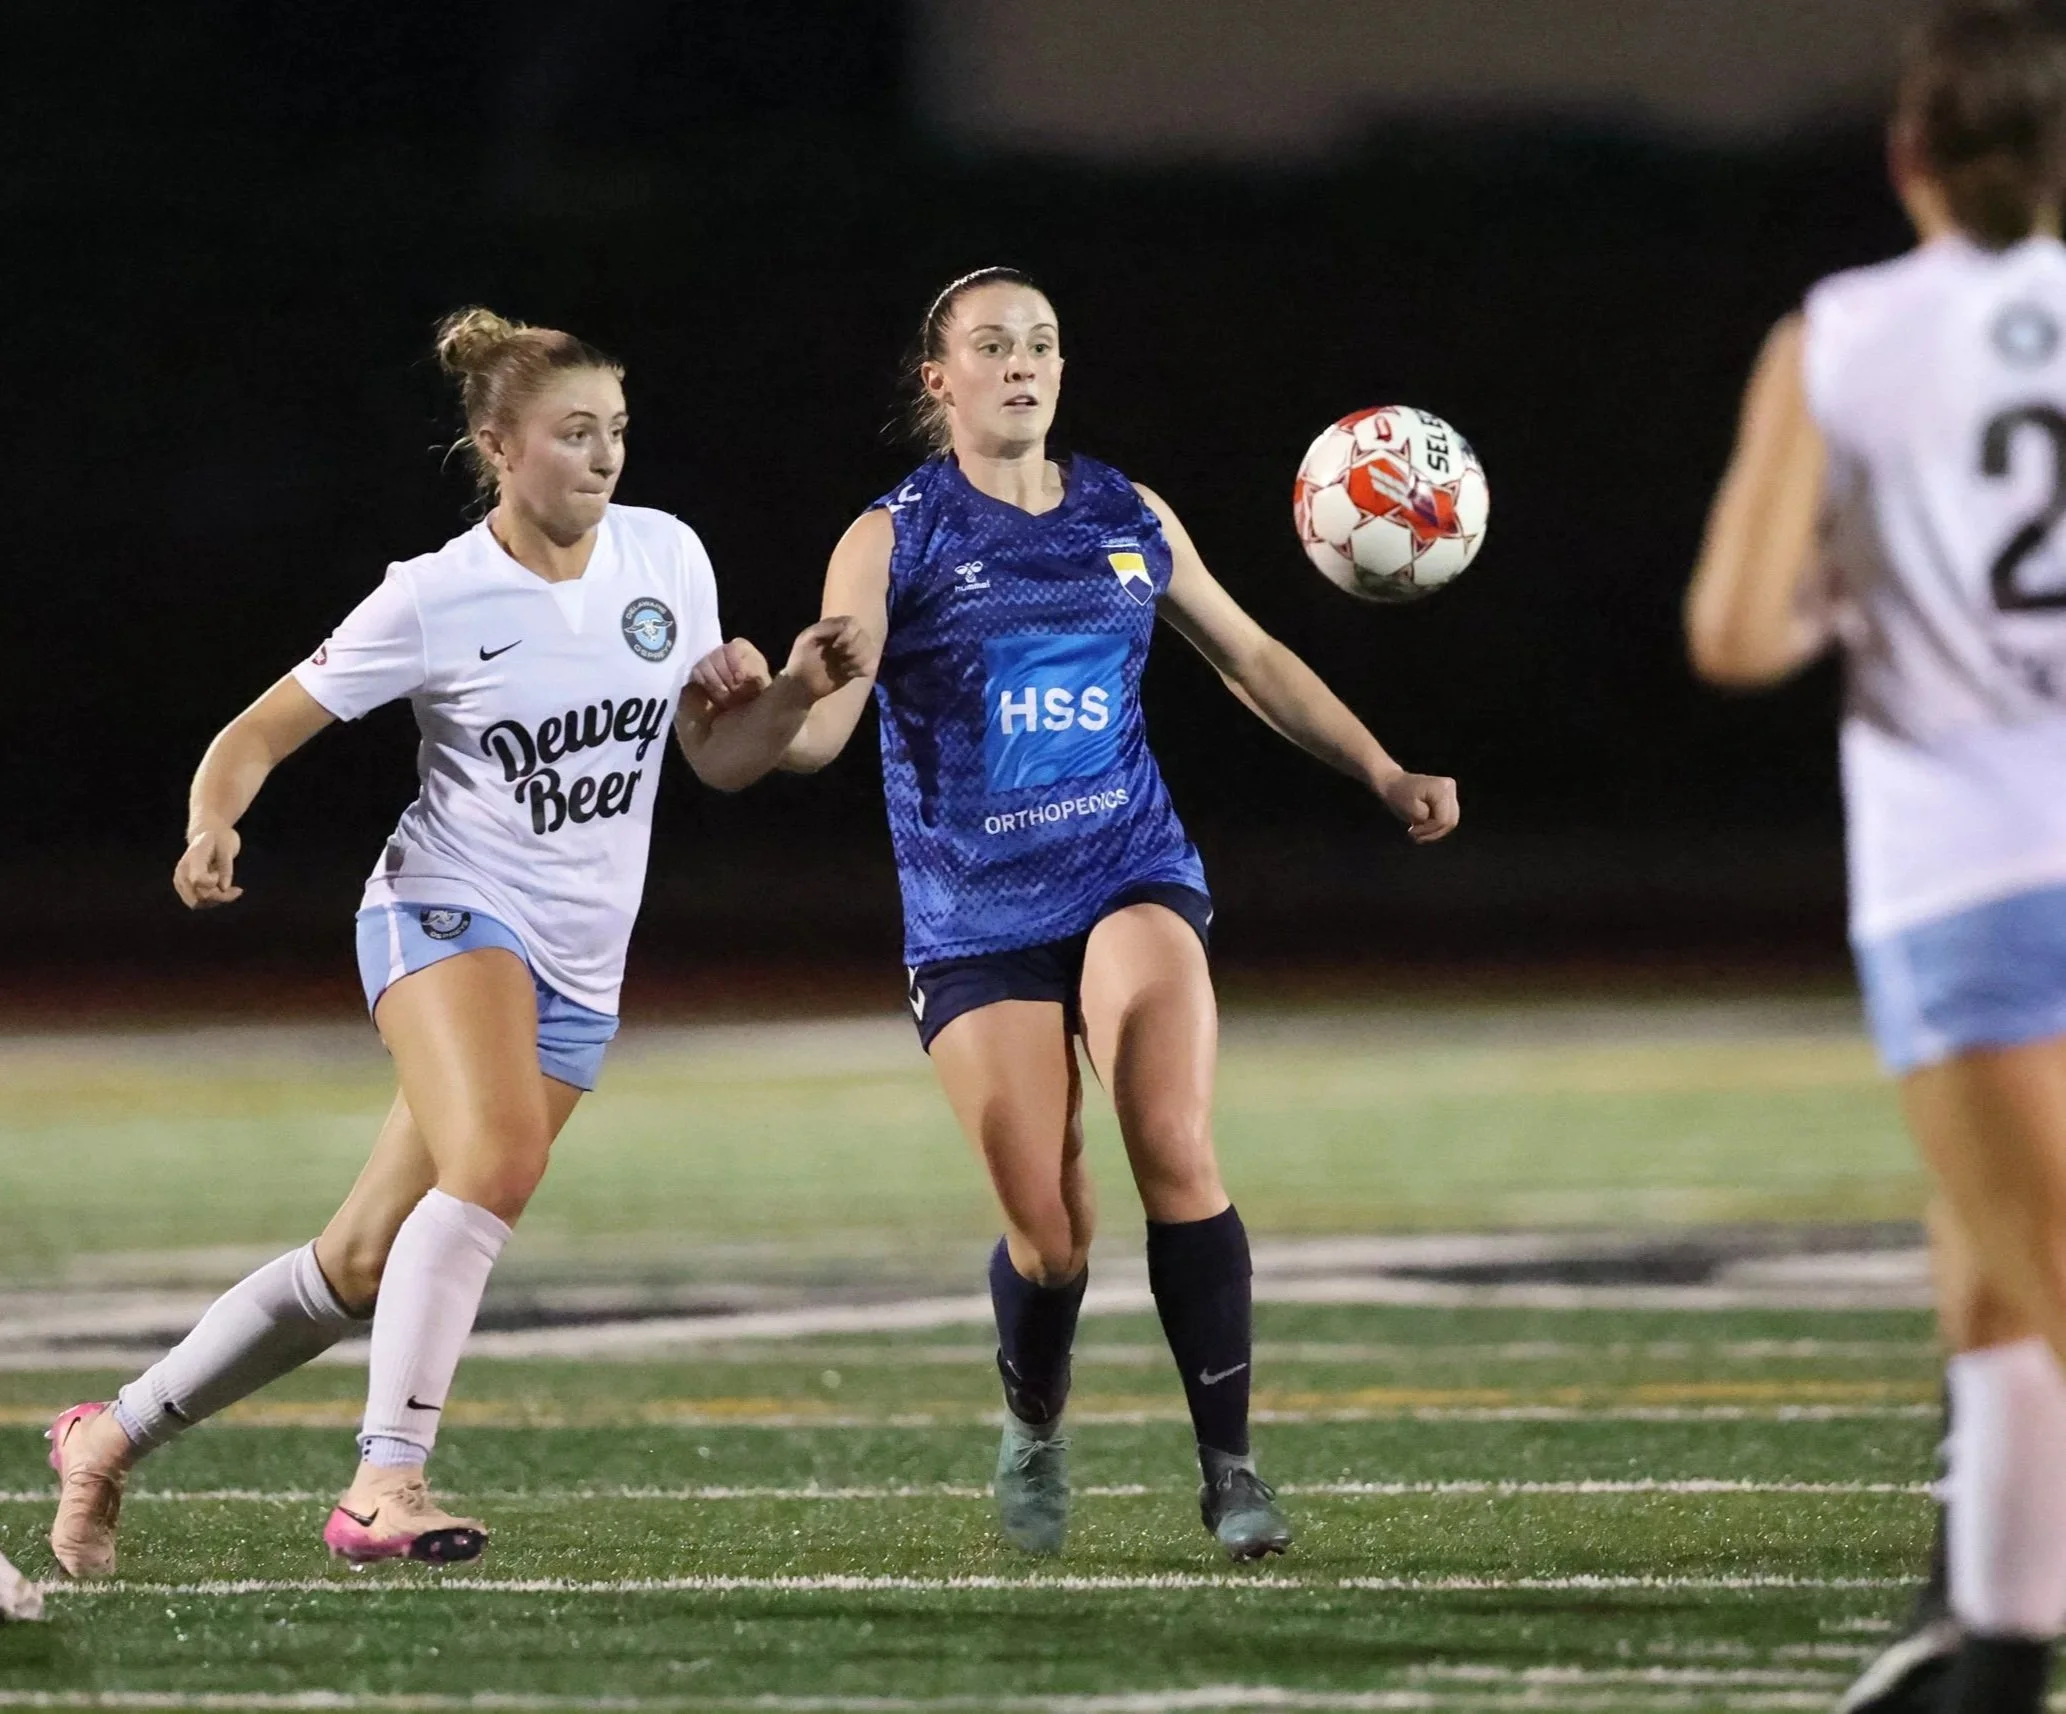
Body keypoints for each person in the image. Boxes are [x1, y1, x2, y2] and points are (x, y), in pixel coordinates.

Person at [44, 307, 869, 1576]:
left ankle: (109, 1435)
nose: (602, 459)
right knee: (494, 1160)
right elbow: (252, 733)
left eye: (618, 433)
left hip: (581, 962)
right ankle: (384, 1482)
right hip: (442, 908)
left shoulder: (666, 557)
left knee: (362, 1263)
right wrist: (213, 823)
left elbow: (714, 756)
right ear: (496, 445)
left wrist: (798, 691)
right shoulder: (435, 595)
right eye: (572, 433)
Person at [693, 266, 1459, 1559]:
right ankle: (1033, 1420)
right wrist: (789, 690)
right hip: (974, 917)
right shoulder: (893, 537)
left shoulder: (1126, 512)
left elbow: (1251, 656)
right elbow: (816, 738)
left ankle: (1230, 1471)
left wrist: (1381, 768)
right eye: (990, 346)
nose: (1021, 364)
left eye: (1040, 343)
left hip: (1126, 869)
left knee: (1171, 1139)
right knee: (1047, 1239)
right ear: (939, 381)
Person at [1686, 5, 2066, 1709]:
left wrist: (1858, 584)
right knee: (1988, 1264)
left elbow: (1735, 632)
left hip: (1969, 866)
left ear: (1912, 154)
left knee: (2033, 1273)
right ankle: (1986, 1648)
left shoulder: (1841, 333)